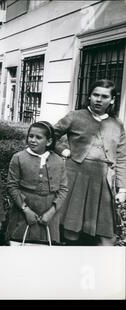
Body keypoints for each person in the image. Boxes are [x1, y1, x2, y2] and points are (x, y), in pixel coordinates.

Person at [54, 79, 126, 246]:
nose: (98, 99)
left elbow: (122, 157)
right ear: (89, 96)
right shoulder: (75, 116)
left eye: (104, 96)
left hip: (103, 181)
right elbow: (49, 135)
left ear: (112, 100)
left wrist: (122, 189)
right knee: (71, 229)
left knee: (104, 233)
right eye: (95, 95)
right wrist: (64, 151)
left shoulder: (117, 125)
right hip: (75, 177)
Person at [7, 121, 68, 245]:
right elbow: (12, 186)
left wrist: (51, 212)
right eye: (31, 136)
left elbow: (63, 189)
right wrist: (26, 210)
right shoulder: (18, 158)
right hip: (23, 213)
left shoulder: (59, 161)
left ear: (49, 141)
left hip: (49, 215)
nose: (33, 140)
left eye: (38, 137)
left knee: (45, 252)